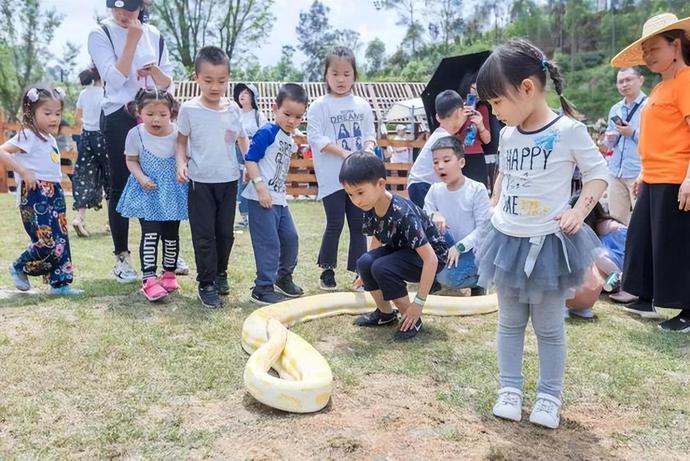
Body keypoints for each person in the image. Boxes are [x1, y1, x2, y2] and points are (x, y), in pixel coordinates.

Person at [475, 39, 609, 429]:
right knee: (509, 322)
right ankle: (509, 390)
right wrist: (496, 202)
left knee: (549, 326)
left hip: (549, 245)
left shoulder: (569, 130)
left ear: (528, 89)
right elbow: (504, 174)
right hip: (507, 241)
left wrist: (578, 211)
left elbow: (598, 175)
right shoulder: (508, 135)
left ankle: (549, 397)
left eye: (497, 103)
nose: (495, 114)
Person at [611, 13, 690, 333]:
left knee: (677, 244)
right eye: (644, 51)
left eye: (654, 47)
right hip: (654, 174)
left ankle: (687, 311)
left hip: (676, 175)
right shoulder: (661, 86)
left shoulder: (686, 80)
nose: (648, 56)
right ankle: (646, 297)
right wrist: (644, 172)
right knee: (642, 238)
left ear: (676, 45)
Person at [88, 0, 173, 283]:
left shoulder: (156, 34)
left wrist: (153, 70)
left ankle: (163, 255)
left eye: (131, 8)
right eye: (117, 7)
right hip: (119, 117)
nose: (124, 14)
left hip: (153, 117)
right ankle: (122, 258)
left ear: (142, 6)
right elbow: (113, 79)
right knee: (121, 185)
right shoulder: (101, 33)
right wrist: (132, 41)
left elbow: (166, 83)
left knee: (157, 180)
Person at [342, 153, 449, 341]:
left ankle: (411, 319)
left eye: (360, 192)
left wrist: (419, 303)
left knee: (382, 267)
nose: (356, 200)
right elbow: (377, 237)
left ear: (381, 184)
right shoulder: (370, 205)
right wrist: (364, 271)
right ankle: (386, 314)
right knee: (366, 262)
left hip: (432, 257)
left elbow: (430, 259)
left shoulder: (403, 213)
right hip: (404, 250)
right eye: (350, 194)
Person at [176, 46, 249, 309]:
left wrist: (250, 165)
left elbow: (241, 139)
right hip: (200, 182)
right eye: (208, 80)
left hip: (229, 181)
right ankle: (206, 283)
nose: (215, 86)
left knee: (225, 234)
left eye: (221, 80)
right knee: (204, 234)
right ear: (196, 77)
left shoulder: (234, 110)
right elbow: (181, 141)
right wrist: (181, 163)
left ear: (228, 78)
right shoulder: (189, 110)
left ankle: (221, 273)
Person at [0, 87, 82, 296]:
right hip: (35, 194)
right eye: (47, 113)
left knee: (61, 240)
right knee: (46, 242)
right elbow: (2, 151)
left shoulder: (51, 139)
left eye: (57, 113)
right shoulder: (28, 135)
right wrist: (24, 172)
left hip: (54, 192)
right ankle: (20, 266)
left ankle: (60, 284)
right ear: (31, 112)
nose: (54, 118)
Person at [307, 46, 376, 291]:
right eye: (335, 73)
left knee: (359, 225)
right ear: (326, 75)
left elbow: (370, 134)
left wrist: (366, 151)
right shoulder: (319, 106)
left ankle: (360, 272)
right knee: (335, 222)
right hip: (332, 177)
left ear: (354, 75)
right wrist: (347, 155)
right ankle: (327, 270)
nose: (341, 79)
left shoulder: (362, 104)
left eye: (346, 74)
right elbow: (316, 138)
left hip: (359, 177)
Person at [116, 89, 187, 302]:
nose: (156, 119)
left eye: (162, 114)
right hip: (147, 191)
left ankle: (169, 273)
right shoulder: (135, 134)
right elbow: (131, 160)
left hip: (172, 192)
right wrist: (140, 177)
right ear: (139, 112)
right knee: (150, 234)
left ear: (171, 113)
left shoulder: (178, 133)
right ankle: (148, 278)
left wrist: (183, 168)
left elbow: (185, 155)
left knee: (171, 235)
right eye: (150, 114)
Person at [243, 84, 309, 305]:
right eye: (287, 114)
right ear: (275, 108)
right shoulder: (266, 132)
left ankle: (283, 277)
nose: (292, 120)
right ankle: (262, 288)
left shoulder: (287, 137)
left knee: (291, 239)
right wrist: (260, 187)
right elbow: (250, 159)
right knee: (269, 243)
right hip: (261, 198)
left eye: (298, 117)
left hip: (280, 200)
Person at [423, 136, 491, 295]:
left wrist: (460, 247)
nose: (440, 166)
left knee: (448, 278)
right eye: (435, 162)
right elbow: (425, 216)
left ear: (461, 162)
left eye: (446, 160)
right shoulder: (435, 190)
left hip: (472, 251)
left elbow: (483, 229)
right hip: (445, 247)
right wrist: (434, 215)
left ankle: (479, 279)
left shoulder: (476, 189)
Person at [565, 195, 633, 319]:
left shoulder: (610, 227)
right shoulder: (592, 231)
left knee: (595, 254)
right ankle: (606, 285)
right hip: (609, 266)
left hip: (623, 266)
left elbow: (631, 247)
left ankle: (621, 282)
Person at [407, 90, 467, 208]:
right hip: (424, 187)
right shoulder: (445, 140)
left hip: (419, 185)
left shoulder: (439, 135)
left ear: (437, 117)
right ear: (459, 112)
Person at [604, 67, 647, 225]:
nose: (624, 84)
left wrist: (632, 133)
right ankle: (621, 250)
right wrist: (610, 138)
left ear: (641, 80)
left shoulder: (649, 106)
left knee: (642, 220)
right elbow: (609, 143)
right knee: (616, 220)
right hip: (616, 171)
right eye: (620, 81)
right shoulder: (615, 109)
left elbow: (655, 140)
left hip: (638, 172)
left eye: (628, 80)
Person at [71, 66, 110, 238]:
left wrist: (88, 121)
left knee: (85, 176)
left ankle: (79, 217)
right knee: (109, 176)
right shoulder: (106, 93)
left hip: (86, 137)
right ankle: (111, 222)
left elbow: (76, 117)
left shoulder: (84, 94)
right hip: (103, 137)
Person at [233, 82, 269, 230]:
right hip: (236, 152)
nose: (242, 95)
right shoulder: (235, 113)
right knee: (239, 184)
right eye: (240, 92)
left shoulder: (258, 115)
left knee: (253, 182)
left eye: (247, 92)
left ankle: (255, 216)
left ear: (253, 96)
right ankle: (245, 216)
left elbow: (264, 133)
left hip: (254, 152)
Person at [457, 76, 492, 186]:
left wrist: (480, 125)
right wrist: (461, 118)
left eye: (480, 89)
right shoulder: (457, 107)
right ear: (468, 87)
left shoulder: (483, 108)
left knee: (478, 189)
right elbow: (451, 134)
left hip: (476, 154)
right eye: (474, 89)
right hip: (459, 154)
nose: (477, 93)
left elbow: (487, 140)